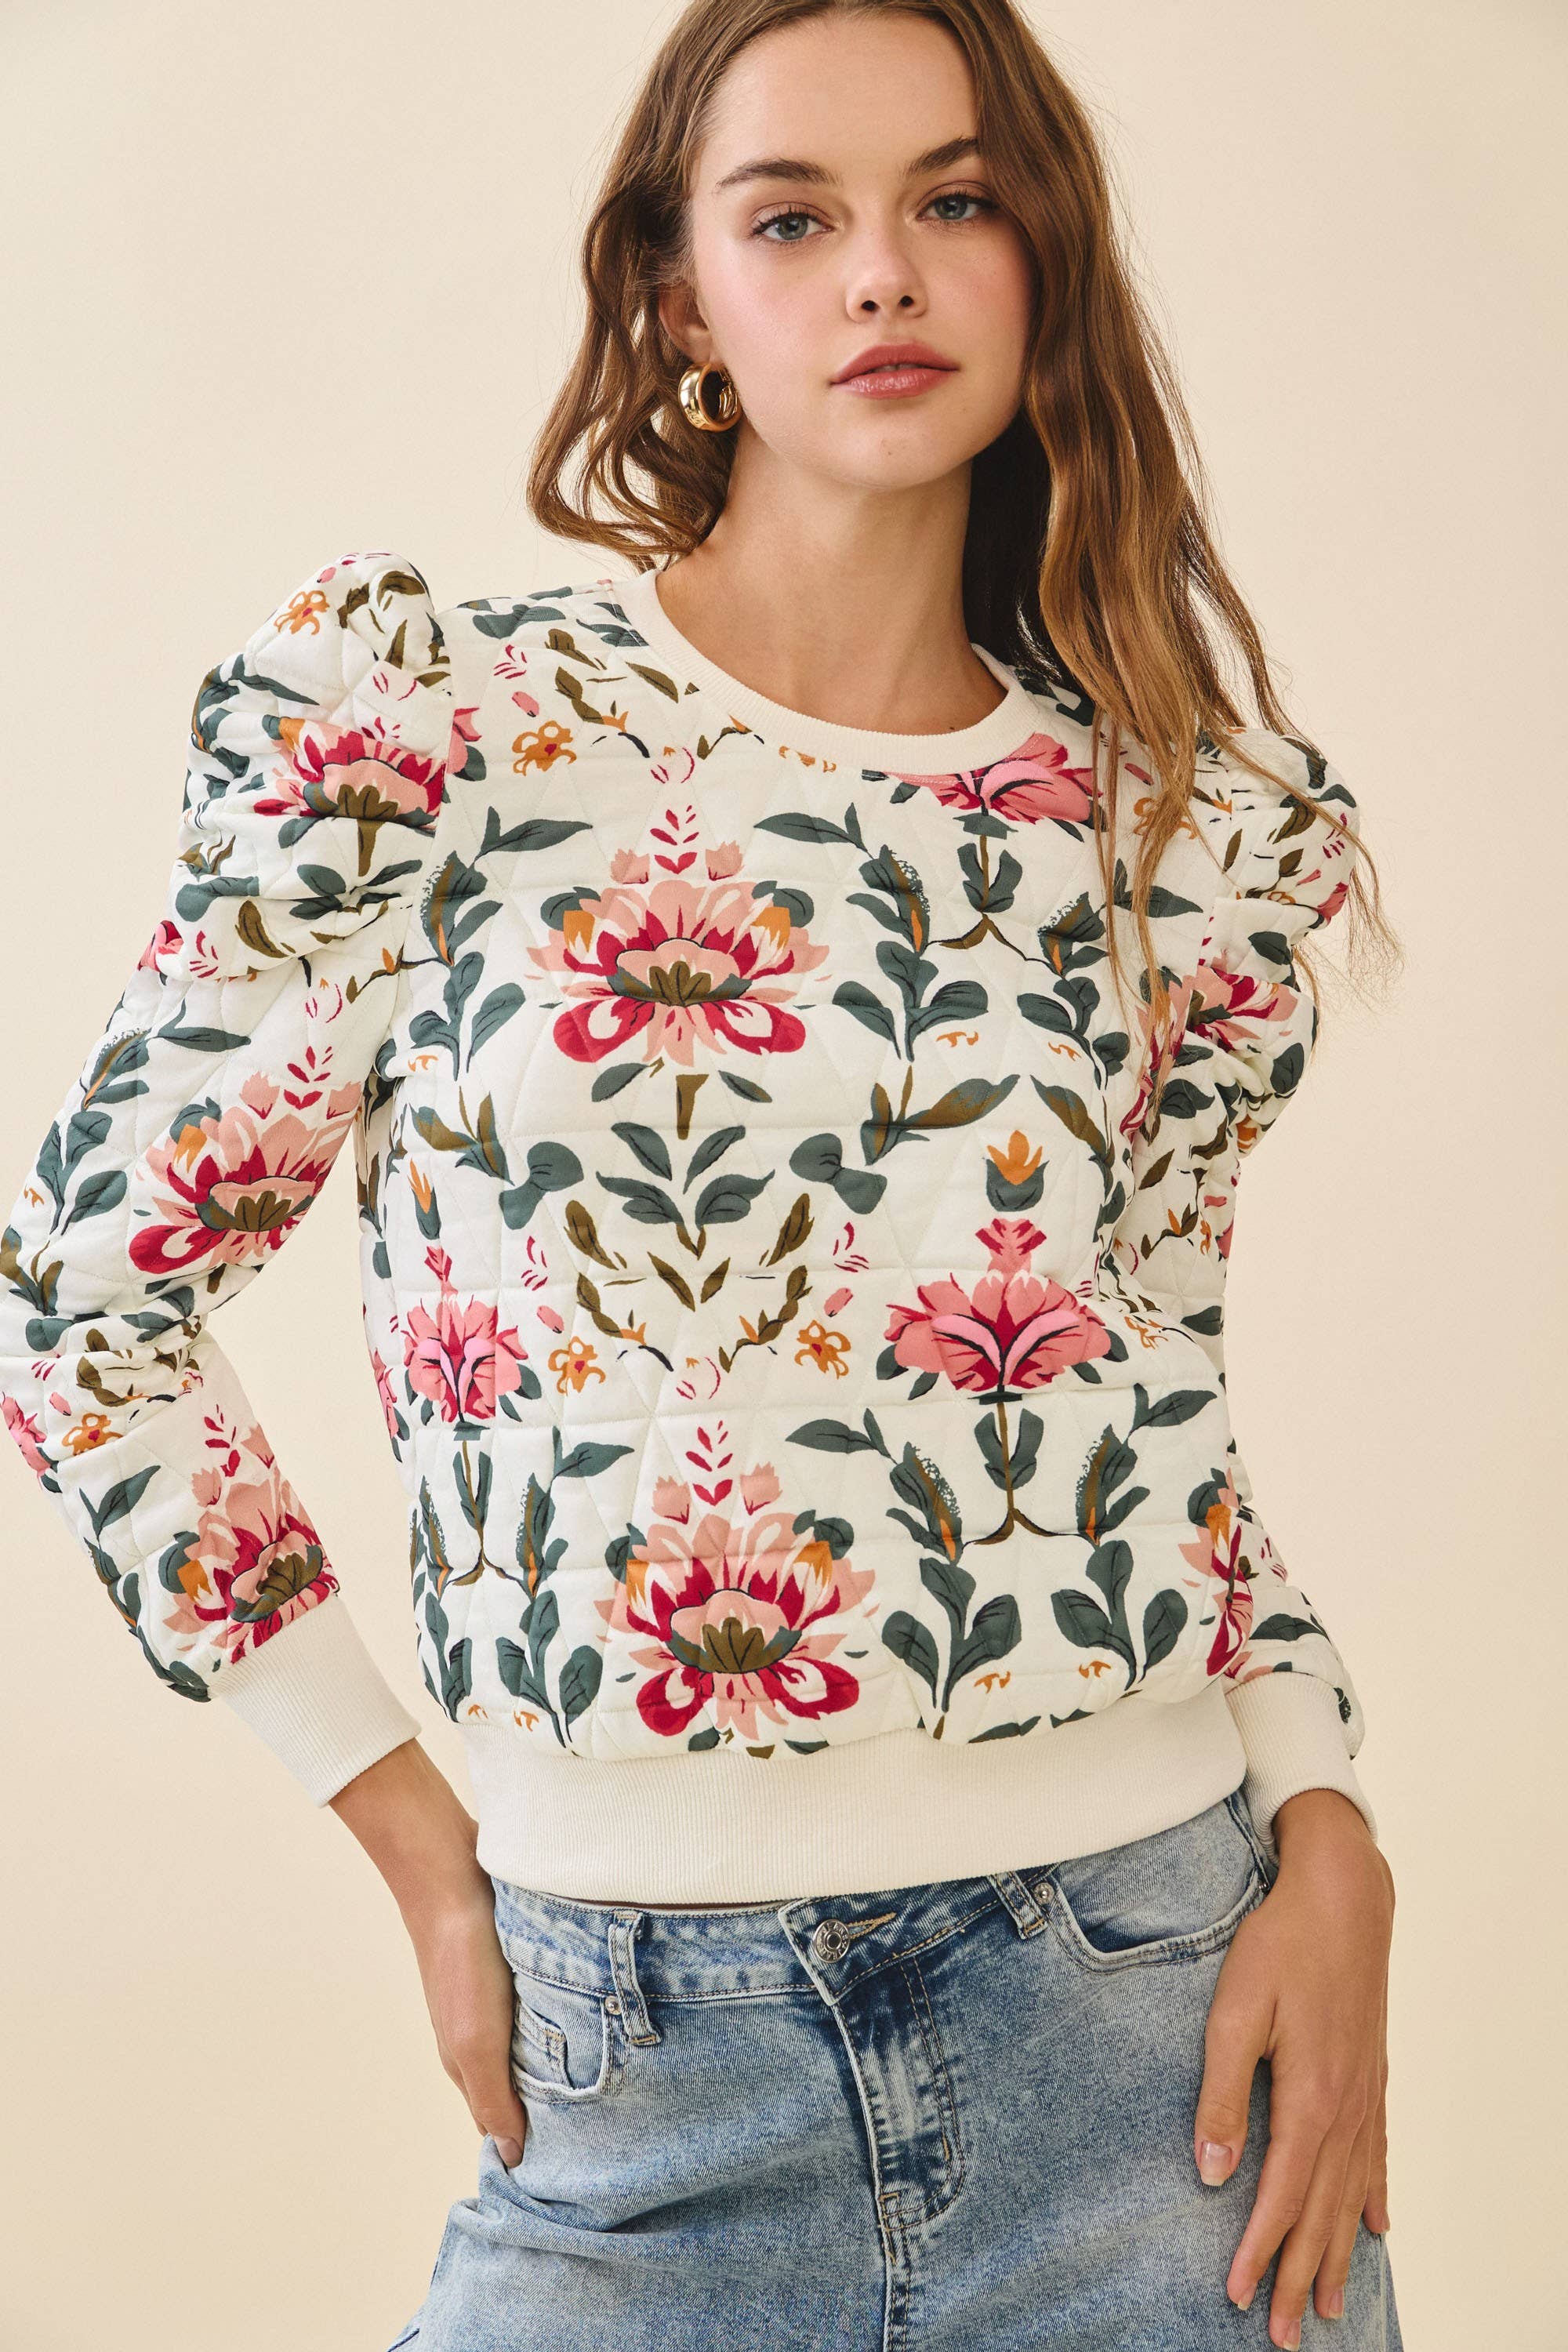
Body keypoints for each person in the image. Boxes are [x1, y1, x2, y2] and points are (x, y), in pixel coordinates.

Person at [0, 3, 1403, 2347]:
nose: (884, 274)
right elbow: (85, 1298)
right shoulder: (438, 733)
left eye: (956, 201)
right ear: (680, 300)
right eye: (792, 217)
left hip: (1152, 2048)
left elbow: (1154, 1385)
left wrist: (1330, 1827)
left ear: (1043, 261)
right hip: (632, 2088)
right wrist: (405, 1827)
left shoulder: (1180, 833)